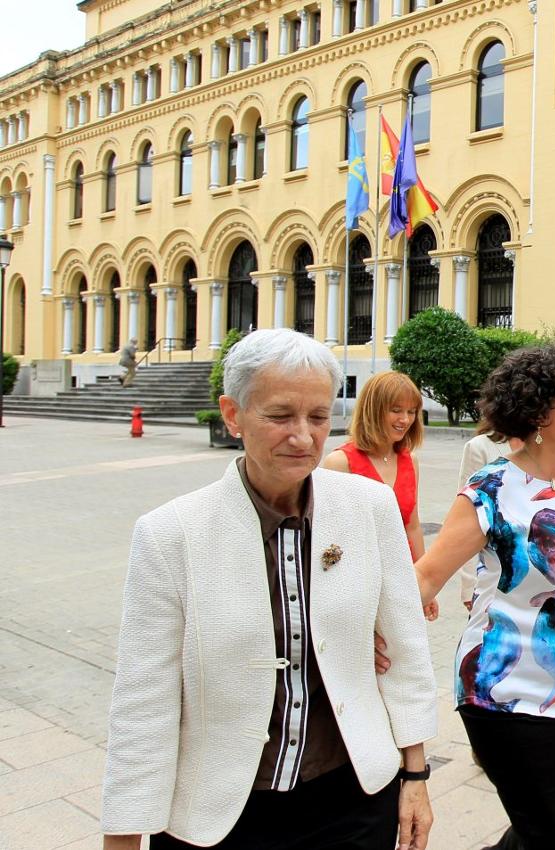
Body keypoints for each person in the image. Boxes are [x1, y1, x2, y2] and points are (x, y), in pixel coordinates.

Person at [101, 329, 439, 850]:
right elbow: (144, 700)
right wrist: (123, 837)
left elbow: (406, 651)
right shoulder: (172, 534)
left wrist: (415, 777)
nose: (303, 437)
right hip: (223, 814)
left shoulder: (369, 508)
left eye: (319, 417)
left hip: (351, 796)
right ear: (233, 415)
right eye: (280, 416)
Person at [412, 343, 555, 850]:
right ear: (540, 414)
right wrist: (366, 631)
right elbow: (426, 577)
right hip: (506, 692)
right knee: (554, 835)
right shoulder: (493, 488)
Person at [322, 371, 426, 560]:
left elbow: (413, 526)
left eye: (411, 412)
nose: (405, 420)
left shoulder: (411, 460)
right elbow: (327, 531)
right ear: (373, 410)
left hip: (402, 568)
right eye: (396, 410)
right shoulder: (339, 462)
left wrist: (422, 580)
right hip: (359, 573)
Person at [454, 426, 524, 610]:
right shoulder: (480, 447)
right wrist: (470, 584)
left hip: (532, 579)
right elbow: (467, 520)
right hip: (492, 575)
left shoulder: (545, 444)